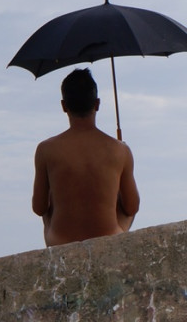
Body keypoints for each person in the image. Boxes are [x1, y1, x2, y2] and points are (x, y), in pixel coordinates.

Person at [31, 68, 140, 247]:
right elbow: (132, 207)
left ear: (64, 106)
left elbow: (39, 208)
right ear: (97, 104)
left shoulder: (46, 149)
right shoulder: (120, 150)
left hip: (60, 243)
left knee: (49, 194)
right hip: (108, 240)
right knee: (126, 196)